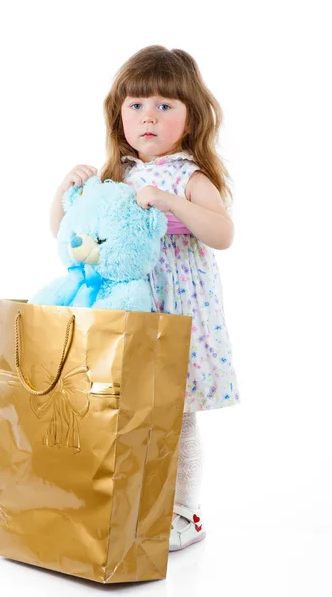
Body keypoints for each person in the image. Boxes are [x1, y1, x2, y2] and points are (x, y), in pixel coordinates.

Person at [49, 45, 240, 552]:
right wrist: (62, 192)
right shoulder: (118, 177)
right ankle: (129, 499)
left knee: (176, 415)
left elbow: (222, 233)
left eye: (164, 105)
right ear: (119, 116)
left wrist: (171, 200)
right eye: (136, 105)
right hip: (124, 308)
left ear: (191, 117)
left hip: (176, 311)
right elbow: (70, 238)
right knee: (126, 410)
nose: (149, 115)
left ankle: (185, 511)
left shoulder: (188, 176)